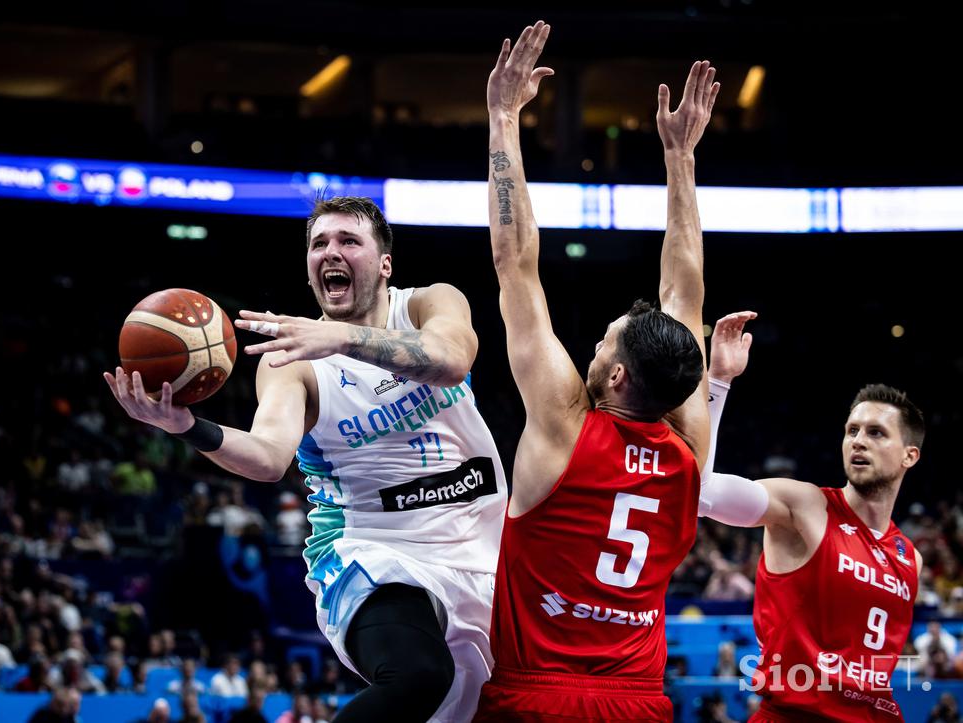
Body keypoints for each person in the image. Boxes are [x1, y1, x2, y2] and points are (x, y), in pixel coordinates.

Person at [104, 194, 507, 722]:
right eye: (319, 243)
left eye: (348, 241)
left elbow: (451, 360)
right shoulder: (290, 360)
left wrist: (340, 336)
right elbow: (270, 457)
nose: (330, 252)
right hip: (374, 552)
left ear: (385, 264)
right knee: (418, 675)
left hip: (485, 547)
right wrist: (185, 426)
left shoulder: (430, 303)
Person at [475, 20, 719, 722]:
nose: (592, 350)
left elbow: (513, 259)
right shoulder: (690, 447)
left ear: (615, 378)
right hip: (638, 701)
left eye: (603, 346)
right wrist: (680, 160)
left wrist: (502, 119)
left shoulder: (561, 422)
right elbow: (687, 294)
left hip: (537, 694)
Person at [701, 310, 924, 721]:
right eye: (851, 430)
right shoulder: (803, 506)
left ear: (910, 454)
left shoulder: (910, 555)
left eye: (876, 433)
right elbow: (703, 492)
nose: (858, 441)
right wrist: (718, 381)